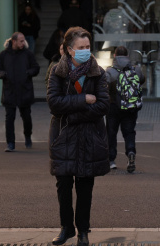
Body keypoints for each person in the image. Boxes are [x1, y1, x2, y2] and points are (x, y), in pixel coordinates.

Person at [47, 26, 110, 246]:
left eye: (88, 47)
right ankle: (67, 228)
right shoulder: (57, 71)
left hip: (89, 138)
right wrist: (84, 100)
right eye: (80, 47)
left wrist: (71, 113)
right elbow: (54, 104)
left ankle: (83, 230)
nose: (85, 50)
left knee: (85, 188)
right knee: (63, 186)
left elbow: (103, 105)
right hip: (63, 138)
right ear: (68, 49)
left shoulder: (98, 72)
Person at [0, 32, 40, 152]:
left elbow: (36, 68)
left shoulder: (28, 54)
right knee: (9, 118)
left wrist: (28, 73)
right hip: (10, 91)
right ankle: (10, 143)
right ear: (13, 41)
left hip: (25, 90)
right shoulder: (4, 55)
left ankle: (28, 136)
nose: (23, 43)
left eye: (24, 40)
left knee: (26, 117)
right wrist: (2, 74)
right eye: (21, 41)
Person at [105, 46, 145, 171]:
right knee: (129, 132)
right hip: (130, 106)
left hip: (113, 107)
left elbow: (104, 87)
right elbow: (141, 80)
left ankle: (111, 160)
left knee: (111, 133)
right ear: (127, 56)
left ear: (115, 56)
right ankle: (131, 152)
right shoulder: (136, 70)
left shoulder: (110, 71)